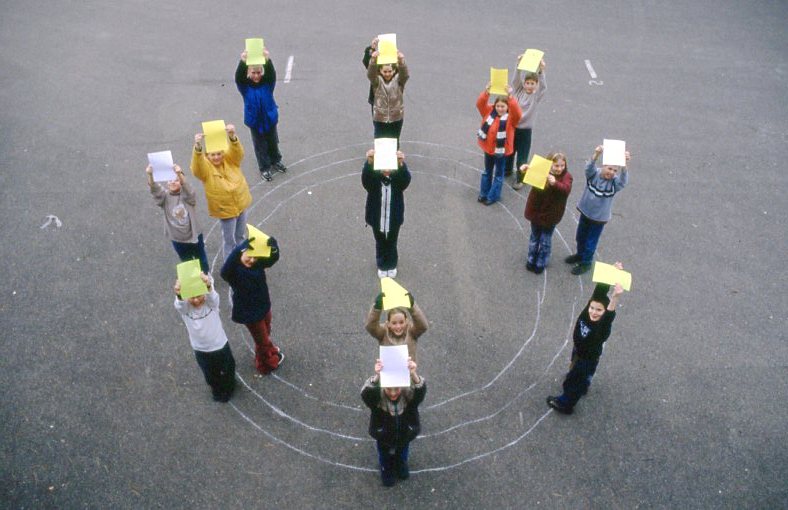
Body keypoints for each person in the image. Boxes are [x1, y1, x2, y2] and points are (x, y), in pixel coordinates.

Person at [546, 267, 625, 415]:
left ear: (604, 312)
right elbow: (599, 293)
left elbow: (609, 317)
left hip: (585, 360)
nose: (593, 312)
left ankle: (565, 404)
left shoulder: (602, 327)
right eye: (592, 308)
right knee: (582, 377)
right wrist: (612, 273)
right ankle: (584, 385)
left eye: (599, 310)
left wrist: (615, 298)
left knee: (573, 381)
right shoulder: (588, 311)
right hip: (580, 352)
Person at [220, 236, 283, 374]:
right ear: (242, 252)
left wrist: (273, 248)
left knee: (266, 330)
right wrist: (238, 250)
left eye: (256, 257)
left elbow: (271, 260)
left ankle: (268, 349)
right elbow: (224, 272)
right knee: (262, 340)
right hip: (250, 313)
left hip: (263, 305)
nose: (252, 260)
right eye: (249, 256)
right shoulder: (234, 270)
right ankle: (265, 364)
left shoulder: (257, 264)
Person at [190, 124, 253, 262]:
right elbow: (197, 167)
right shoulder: (205, 170)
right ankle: (229, 267)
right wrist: (198, 148)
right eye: (212, 155)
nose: (216, 157)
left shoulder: (230, 160)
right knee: (229, 241)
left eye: (219, 153)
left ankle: (242, 261)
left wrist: (232, 136)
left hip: (241, 204)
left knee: (240, 236)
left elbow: (238, 153)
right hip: (225, 210)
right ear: (207, 155)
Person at [565, 146, 631, 275]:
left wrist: (624, 165)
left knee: (590, 242)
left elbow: (623, 181)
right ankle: (580, 254)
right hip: (585, 213)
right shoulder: (594, 174)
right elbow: (588, 168)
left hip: (599, 219)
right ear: (603, 166)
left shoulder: (614, 183)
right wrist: (596, 154)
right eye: (609, 168)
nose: (612, 172)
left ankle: (586, 263)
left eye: (615, 170)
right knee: (580, 237)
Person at [361, 357, 426, 487]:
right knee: (384, 455)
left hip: (404, 434)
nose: (392, 393)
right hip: (384, 435)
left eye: (396, 389)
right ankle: (386, 469)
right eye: (389, 389)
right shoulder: (378, 398)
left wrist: (414, 374)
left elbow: (419, 393)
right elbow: (367, 395)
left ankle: (400, 463)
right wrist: (377, 377)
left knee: (402, 452)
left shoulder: (407, 395)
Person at [174, 273, 236, 402]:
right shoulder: (186, 309)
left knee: (228, 367)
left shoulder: (210, 304)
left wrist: (208, 285)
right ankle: (217, 390)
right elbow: (179, 304)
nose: (196, 300)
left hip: (220, 345)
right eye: (192, 297)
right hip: (201, 350)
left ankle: (230, 385)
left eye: (199, 296)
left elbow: (214, 297)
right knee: (210, 374)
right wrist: (179, 294)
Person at [146, 163, 209, 273]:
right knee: (186, 261)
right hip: (177, 238)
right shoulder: (164, 197)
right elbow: (155, 189)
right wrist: (150, 175)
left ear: (181, 182)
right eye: (170, 180)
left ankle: (206, 276)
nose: (172, 182)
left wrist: (179, 173)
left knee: (200, 258)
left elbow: (188, 189)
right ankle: (192, 279)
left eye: (176, 180)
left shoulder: (188, 197)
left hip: (194, 236)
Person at [235, 47, 286, 182]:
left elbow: (271, 75)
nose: (256, 76)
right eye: (253, 73)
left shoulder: (268, 84)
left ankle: (276, 160)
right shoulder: (245, 87)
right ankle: (264, 167)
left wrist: (267, 60)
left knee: (273, 141)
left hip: (269, 119)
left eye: (258, 72)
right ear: (248, 72)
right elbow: (238, 78)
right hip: (255, 121)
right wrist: (243, 61)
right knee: (260, 146)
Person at [362, 148, 411, 278]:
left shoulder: (397, 179)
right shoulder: (374, 178)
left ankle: (392, 264)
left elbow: (405, 181)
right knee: (380, 242)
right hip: (376, 218)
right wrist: (369, 163)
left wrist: (401, 165)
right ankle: (382, 265)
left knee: (392, 241)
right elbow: (365, 181)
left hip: (393, 218)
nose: (386, 170)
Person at [521, 152, 573, 274]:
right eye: (556, 166)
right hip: (536, 212)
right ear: (549, 164)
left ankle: (541, 261)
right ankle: (531, 258)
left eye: (562, 165)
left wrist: (555, 183)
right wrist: (524, 171)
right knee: (534, 237)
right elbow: (528, 179)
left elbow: (566, 189)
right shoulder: (541, 170)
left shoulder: (567, 176)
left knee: (545, 240)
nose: (560, 169)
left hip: (551, 215)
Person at [476, 84, 522, 205]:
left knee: (498, 175)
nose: (500, 109)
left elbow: (518, 113)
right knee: (487, 171)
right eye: (498, 106)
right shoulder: (488, 112)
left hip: (501, 151)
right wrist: (486, 92)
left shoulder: (512, 118)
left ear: (508, 107)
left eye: (503, 106)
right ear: (494, 105)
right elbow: (480, 104)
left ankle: (492, 196)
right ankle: (483, 193)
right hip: (489, 149)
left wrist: (510, 97)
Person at [509, 58, 547, 188]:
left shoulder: (535, 97)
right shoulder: (518, 91)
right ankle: (507, 170)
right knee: (510, 151)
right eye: (528, 83)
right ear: (524, 84)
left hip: (525, 131)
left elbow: (543, 88)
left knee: (522, 156)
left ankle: (520, 179)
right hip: (513, 128)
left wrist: (541, 71)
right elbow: (515, 80)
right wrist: (518, 65)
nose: (530, 86)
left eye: (532, 83)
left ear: (536, 85)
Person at [365, 291, 428, 363]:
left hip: (409, 370)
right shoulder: (383, 333)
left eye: (401, 322)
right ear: (388, 324)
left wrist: (412, 307)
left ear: (406, 322)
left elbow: (422, 326)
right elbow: (371, 327)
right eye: (394, 323)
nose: (398, 326)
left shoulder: (411, 331)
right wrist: (376, 309)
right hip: (387, 370)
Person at [367, 49, 409, 144]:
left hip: (396, 118)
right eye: (385, 71)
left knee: (394, 142)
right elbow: (371, 75)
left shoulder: (399, 81)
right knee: (380, 143)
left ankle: (395, 154)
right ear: (380, 71)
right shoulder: (377, 81)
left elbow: (405, 75)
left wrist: (401, 61)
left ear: (394, 71)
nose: (387, 74)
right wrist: (373, 60)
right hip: (380, 119)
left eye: (390, 71)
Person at [362, 37, 378, 115]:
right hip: (377, 101)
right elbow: (367, 63)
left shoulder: (394, 62)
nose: (387, 73)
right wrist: (372, 49)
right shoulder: (376, 62)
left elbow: (403, 75)